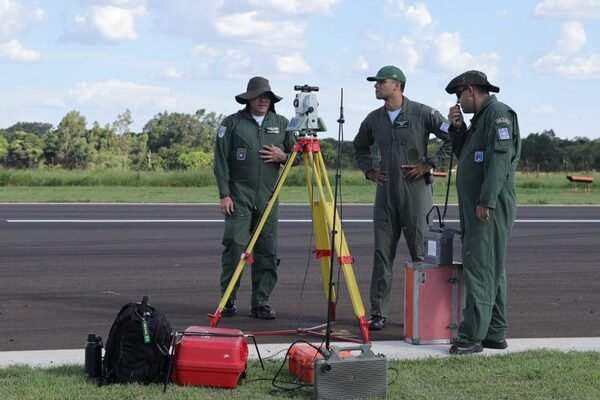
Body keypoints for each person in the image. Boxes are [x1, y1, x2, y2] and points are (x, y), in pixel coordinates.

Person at [353, 65, 452, 331]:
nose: (376, 86)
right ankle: (378, 312)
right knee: (382, 254)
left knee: (421, 253)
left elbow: (452, 137)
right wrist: (369, 170)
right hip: (385, 194)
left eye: (380, 82)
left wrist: (430, 163)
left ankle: (427, 312)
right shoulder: (374, 119)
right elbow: (359, 146)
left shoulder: (422, 113)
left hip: (416, 192)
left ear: (397, 85)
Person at [444, 70, 521, 354]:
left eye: (459, 96)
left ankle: (471, 336)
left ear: (471, 91)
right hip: (478, 204)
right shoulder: (480, 121)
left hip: (488, 205)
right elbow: (467, 155)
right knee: (492, 267)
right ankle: (494, 332)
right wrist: (458, 129)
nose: (458, 102)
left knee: (479, 267)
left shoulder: (498, 114)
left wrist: (487, 200)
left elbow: (500, 159)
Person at [213, 76, 295, 320]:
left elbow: (298, 155)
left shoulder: (283, 124)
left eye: (267, 96)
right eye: (259, 96)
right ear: (249, 99)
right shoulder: (232, 124)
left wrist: (284, 156)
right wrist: (224, 194)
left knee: (267, 249)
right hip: (239, 196)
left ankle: (261, 301)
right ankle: (228, 299)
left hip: (269, 198)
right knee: (235, 245)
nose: (264, 100)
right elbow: (220, 162)